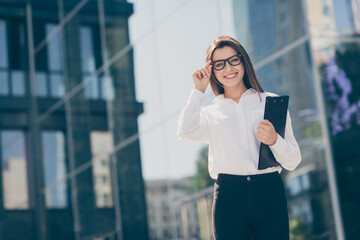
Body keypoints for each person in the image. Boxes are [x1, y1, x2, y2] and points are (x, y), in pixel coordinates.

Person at [177, 36, 301, 240]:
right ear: (213, 71)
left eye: (234, 60)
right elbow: (184, 131)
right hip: (229, 197)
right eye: (219, 64)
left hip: (268, 192)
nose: (228, 68)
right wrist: (199, 89)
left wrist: (274, 141)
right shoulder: (211, 113)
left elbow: (293, 160)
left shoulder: (270, 102)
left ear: (243, 61)